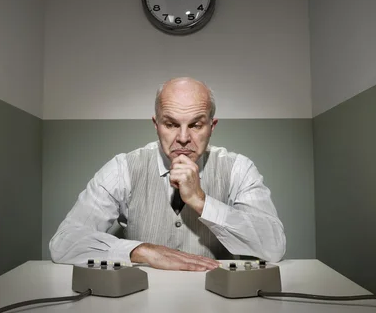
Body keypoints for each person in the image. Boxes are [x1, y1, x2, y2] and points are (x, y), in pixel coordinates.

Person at [49, 77, 286, 271]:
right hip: (139, 301)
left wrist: (200, 201)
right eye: (171, 124)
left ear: (212, 127)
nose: (183, 138)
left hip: (218, 299)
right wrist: (142, 251)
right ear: (156, 124)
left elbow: (273, 247)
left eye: (195, 125)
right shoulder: (123, 169)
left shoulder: (238, 169)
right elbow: (64, 242)